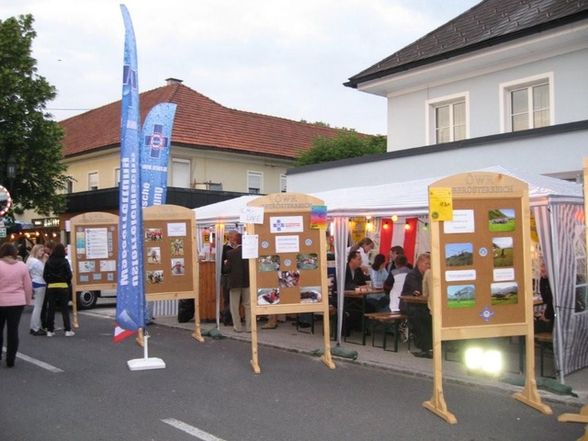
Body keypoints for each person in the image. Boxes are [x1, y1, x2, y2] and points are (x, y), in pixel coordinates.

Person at [0, 243, 33, 367]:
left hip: (1, 301)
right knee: (13, 330)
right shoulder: (22, 266)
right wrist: (28, 300)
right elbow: (28, 286)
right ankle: (11, 359)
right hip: (17, 301)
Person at [401, 253, 432, 358]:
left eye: (430, 264)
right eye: (427, 264)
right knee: (421, 317)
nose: (429, 266)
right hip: (409, 305)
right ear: (419, 263)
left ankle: (431, 346)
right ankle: (425, 347)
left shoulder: (428, 275)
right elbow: (420, 291)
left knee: (430, 315)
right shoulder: (412, 275)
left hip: (422, 305)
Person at [43, 243, 75, 337]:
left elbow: (45, 275)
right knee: (64, 309)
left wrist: (49, 282)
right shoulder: (65, 261)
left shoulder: (49, 261)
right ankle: (67, 330)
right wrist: (67, 282)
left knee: (51, 309)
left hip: (51, 287)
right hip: (63, 286)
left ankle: (50, 330)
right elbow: (69, 275)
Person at [225, 232, 251, 333]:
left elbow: (226, 269)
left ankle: (237, 327)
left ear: (235, 241)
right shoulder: (249, 252)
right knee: (248, 305)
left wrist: (225, 264)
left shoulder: (230, 253)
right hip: (247, 281)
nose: (230, 240)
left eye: (231, 238)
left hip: (234, 283)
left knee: (234, 306)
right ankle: (249, 327)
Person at [27, 244, 48, 336]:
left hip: (34, 282)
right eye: (41, 250)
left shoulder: (29, 260)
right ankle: (35, 327)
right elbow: (44, 272)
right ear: (36, 251)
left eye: (43, 250)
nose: (42, 252)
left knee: (37, 306)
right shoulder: (37, 262)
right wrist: (44, 261)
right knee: (38, 307)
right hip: (40, 283)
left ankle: (33, 327)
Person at [221, 230, 238, 326]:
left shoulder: (240, 247)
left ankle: (231, 318)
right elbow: (223, 263)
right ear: (230, 238)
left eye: (236, 238)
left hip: (236, 277)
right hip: (227, 277)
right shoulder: (225, 248)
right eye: (233, 237)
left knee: (235, 300)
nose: (234, 239)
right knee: (227, 298)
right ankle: (227, 319)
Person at [534, 263, 554, 334]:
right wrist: (543, 279)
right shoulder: (545, 280)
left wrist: (546, 315)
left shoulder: (554, 282)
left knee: (534, 326)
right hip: (551, 314)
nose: (542, 269)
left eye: (544, 267)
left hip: (554, 316)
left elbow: (552, 300)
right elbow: (545, 298)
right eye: (541, 266)